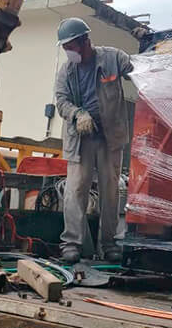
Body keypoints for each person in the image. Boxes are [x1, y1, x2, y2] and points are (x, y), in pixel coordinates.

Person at [54, 17, 133, 264]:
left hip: (110, 137)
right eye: (65, 47)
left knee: (111, 190)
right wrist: (78, 114)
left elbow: (136, 69)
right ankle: (72, 243)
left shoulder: (112, 58)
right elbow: (61, 101)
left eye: (70, 46)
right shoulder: (66, 71)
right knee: (76, 189)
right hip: (81, 139)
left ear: (84, 41)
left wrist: (147, 44)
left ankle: (109, 243)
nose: (68, 51)